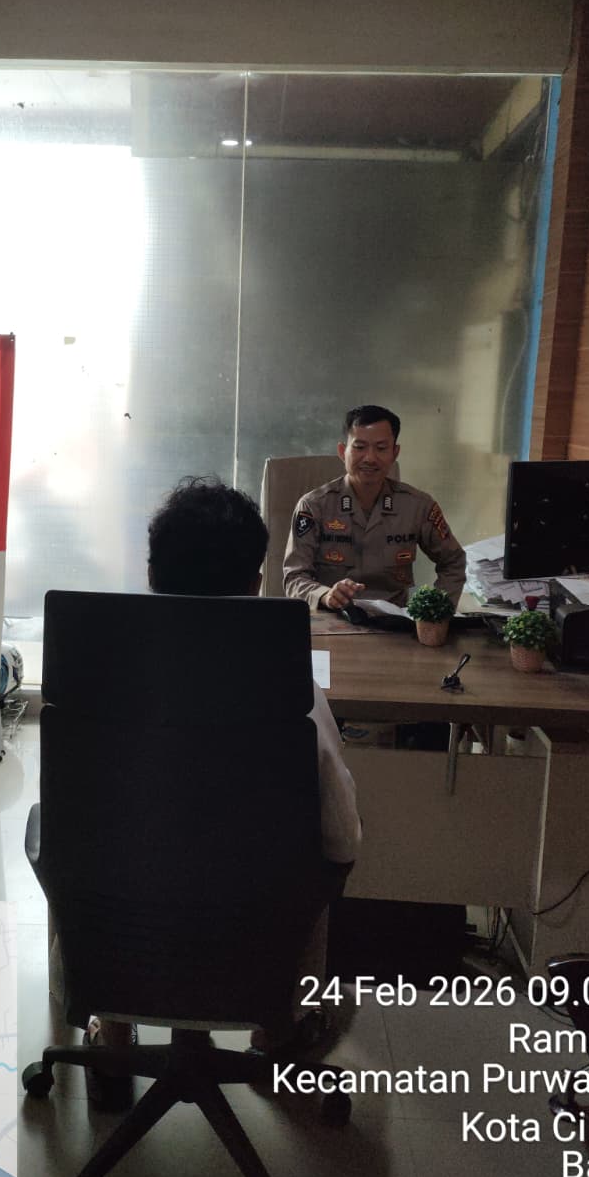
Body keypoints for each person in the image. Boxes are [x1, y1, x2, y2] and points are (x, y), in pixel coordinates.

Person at [84, 477, 361, 1105]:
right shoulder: (290, 687)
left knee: (76, 837)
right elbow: (343, 840)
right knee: (323, 854)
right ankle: (276, 1033)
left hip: (124, 929)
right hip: (250, 938)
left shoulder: (94, 674)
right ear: (256, 581)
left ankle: (113, 1035)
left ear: (151, 573)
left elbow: (74, 817)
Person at [283, 404, 467, 612]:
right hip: (332, 618)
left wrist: (435, 612)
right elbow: (294, 577)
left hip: (394, 622)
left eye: (381, 448)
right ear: (343, 451)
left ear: (395, 453)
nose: (370, 458)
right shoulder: (314, 506)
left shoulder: (418, 506)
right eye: (360, 447)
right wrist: (325, 595)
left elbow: (454, 561)